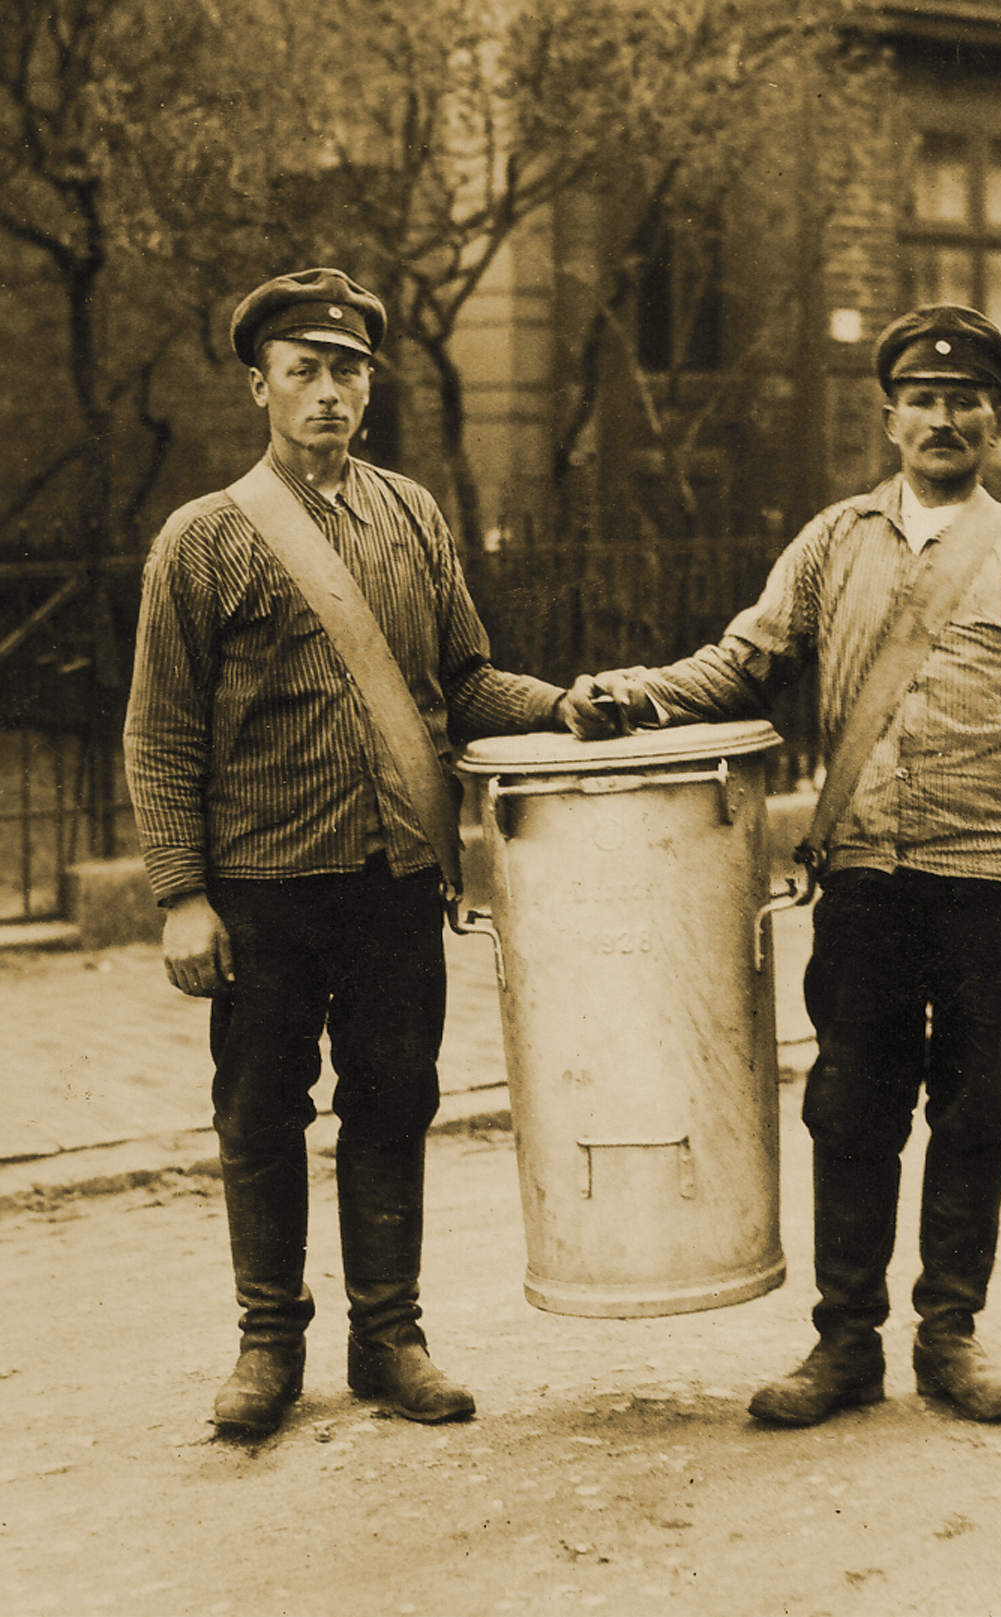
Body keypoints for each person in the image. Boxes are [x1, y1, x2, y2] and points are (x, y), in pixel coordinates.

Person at [563, 305, 1001, 1426]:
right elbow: (743, 662)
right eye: (923, 400)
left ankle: (950, 1337)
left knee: (977, 1108)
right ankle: (845, 1344)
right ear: (889, 419)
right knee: (852, 1106)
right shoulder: (833, 542)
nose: (943, 419)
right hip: (869, 877)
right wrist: (633, 695)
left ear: (1000, 422)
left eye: (966, 402)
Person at [124, 267, 601, 1436]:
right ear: (261, 386)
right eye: (304, 371)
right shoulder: (205, 538)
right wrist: (182, 895)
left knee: (393, 1100)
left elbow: (463, 682)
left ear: (371, 386)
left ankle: (390, 1338)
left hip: (395, 880)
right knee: (260, 1114)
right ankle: (267, 1347)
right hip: (263, 886)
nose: (328, 392)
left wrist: (562, 708)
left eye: (347, 371)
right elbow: (161, 730)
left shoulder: (413, 516)